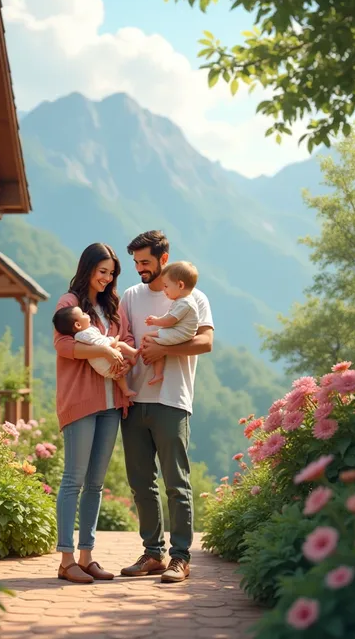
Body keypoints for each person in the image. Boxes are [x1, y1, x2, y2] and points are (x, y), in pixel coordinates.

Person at [120, 230, 214, 583]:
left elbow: (205, 342)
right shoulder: (131, 295)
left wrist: (165, 350)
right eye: (135, 263)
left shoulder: (194, 297)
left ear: (164, 258)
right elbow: (124, 338)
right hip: (134, 399)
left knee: (177, 483)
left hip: (172, 400)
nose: (139, 269)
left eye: (145, 262)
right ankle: (152, 554)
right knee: (141, 483)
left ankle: (181, 557)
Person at [53, 243, 135, 584]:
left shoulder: (112, 307)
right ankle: (66, 559)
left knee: (96, 484)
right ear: (87, 268)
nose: (107, 278)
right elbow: (63, 346)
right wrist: (101, 347)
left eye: (111, 273)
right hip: (80, 401)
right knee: (74, 479)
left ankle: (87, 556)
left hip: (112, 403)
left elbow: (127, 339)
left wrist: (122, 356)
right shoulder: (68, 304)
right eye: (102, 271)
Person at [53, 304, 138, 401]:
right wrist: (112, 343)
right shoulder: (83, 334)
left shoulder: (86, 332)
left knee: (118, 374)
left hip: (105, 367)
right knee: (120, 345)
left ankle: (126, 389)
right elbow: (99, 343)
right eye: (83, 314)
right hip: (103, 363)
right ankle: (133, 353)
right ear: (78, 325)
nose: (86, 313)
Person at [142, 261, 199, 386]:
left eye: (166, 286)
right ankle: (156, 369)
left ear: (180, 285)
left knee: (148, 338)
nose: (164, 290)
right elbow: (170, 317)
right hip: (178, 331)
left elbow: (169, 321)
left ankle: (157, 372)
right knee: (149, 337)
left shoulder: (185, 303)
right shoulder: (182, 301)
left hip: (180, 334)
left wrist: (155, 320)